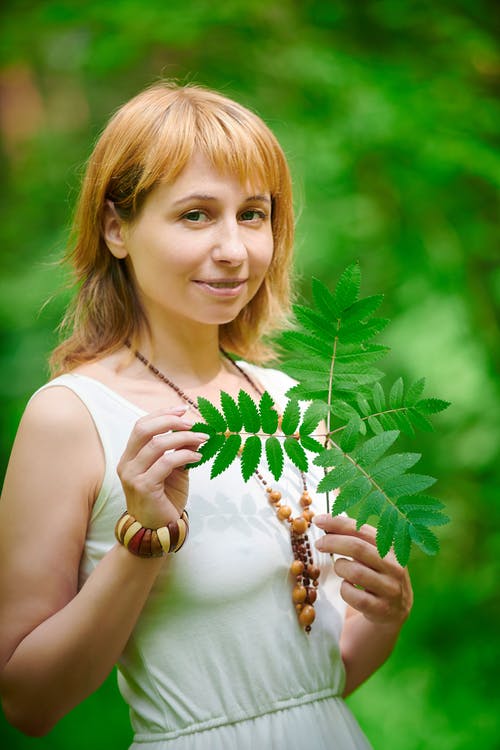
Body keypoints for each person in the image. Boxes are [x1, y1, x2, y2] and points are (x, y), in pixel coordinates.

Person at [0, 81, 413, 749]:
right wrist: (145, 540)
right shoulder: (71, 417)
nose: (235, 249)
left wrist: (388, 614)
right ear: (116, 229)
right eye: (196, 215)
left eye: (253, 214)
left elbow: (314, 686)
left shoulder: (295, 404)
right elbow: (27, 702)